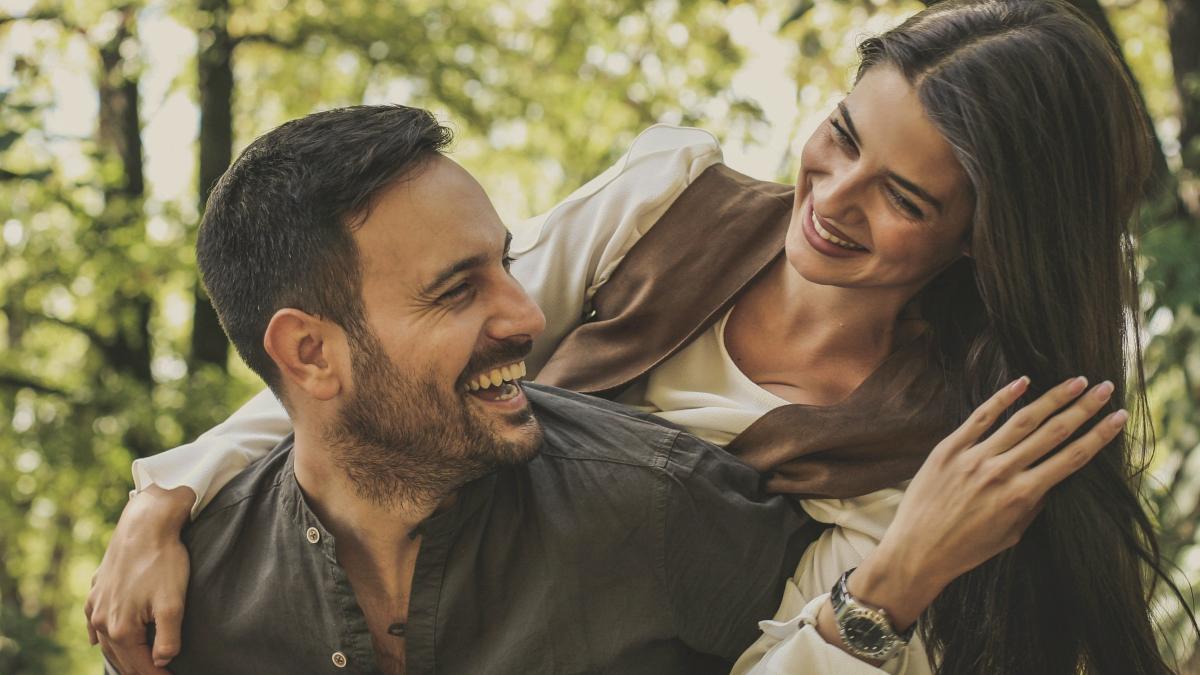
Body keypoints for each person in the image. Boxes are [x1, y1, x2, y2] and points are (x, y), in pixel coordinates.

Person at [87, 1, 1191, 673]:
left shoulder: (936, 462)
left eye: (903, 196)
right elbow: (364, 363)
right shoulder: (665, 207)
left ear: (985, 241)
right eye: (843, 136)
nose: (833, 198)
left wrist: (902, 578)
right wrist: (167, 494)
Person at [114, 104, 820, 675]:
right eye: (456, 291)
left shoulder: (667, 506)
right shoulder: (184, 604)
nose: (528, 317)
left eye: (506, 262)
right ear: (310, 353)